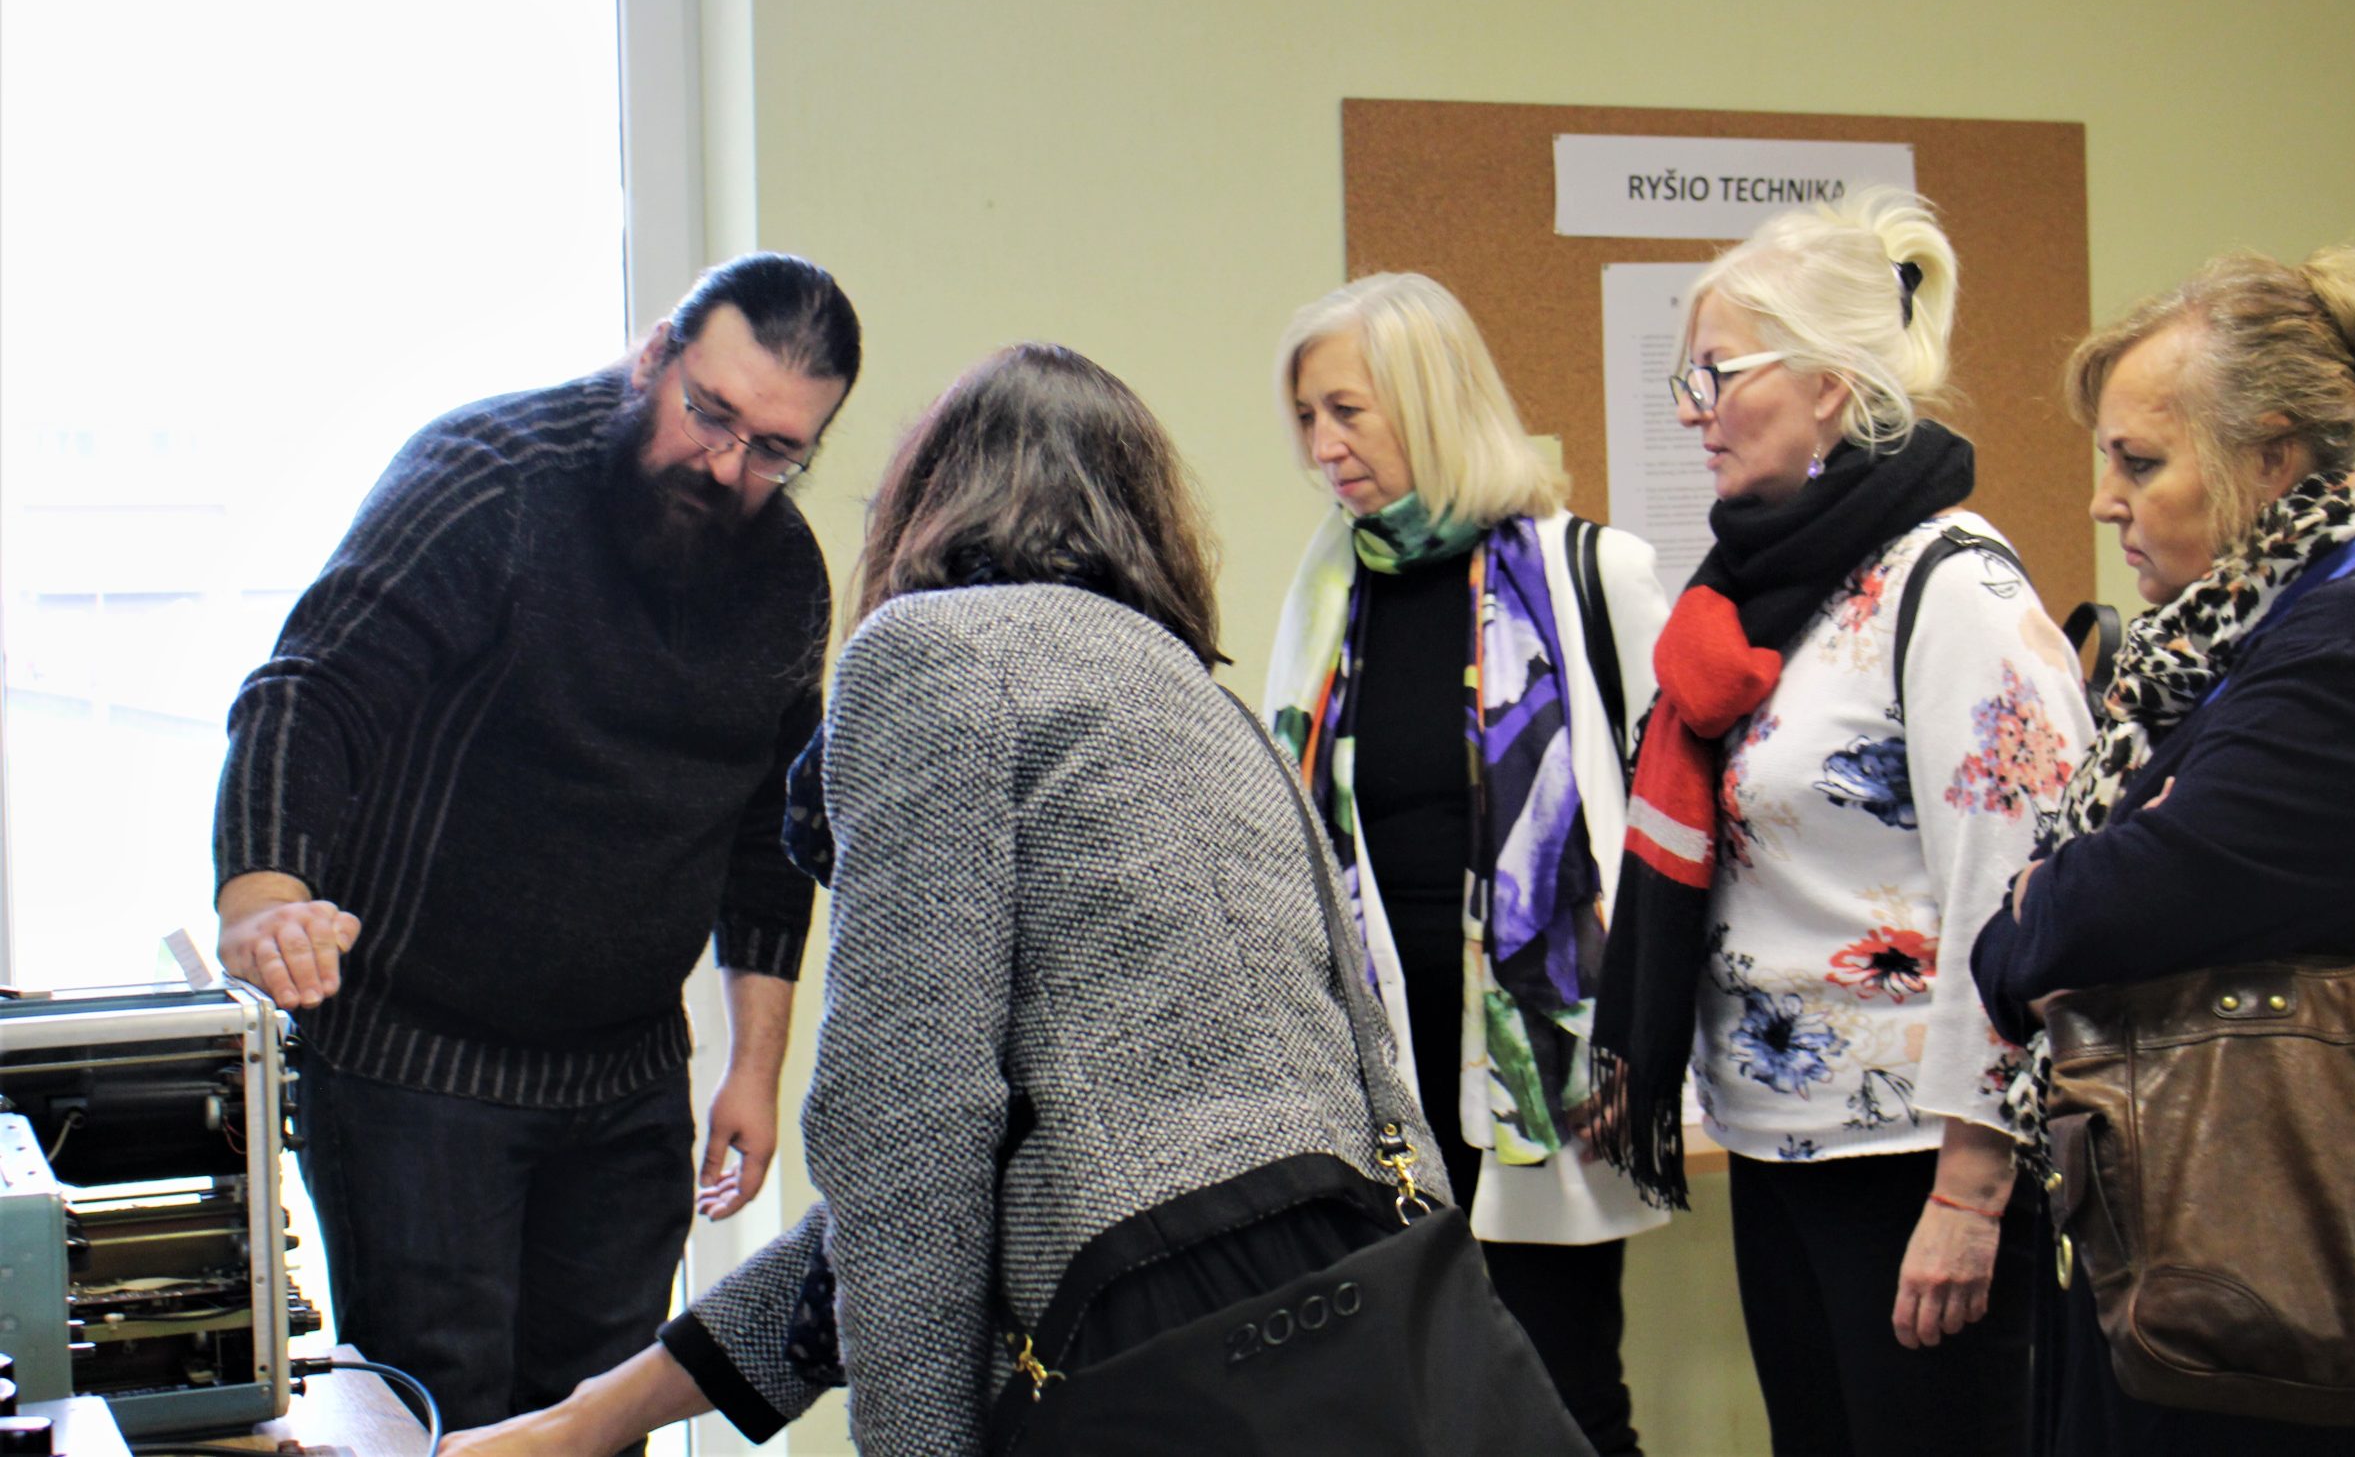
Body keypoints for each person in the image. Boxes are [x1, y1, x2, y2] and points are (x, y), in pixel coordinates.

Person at [444, 344, 1491, 1457]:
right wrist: (587, 1421)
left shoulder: (932, 657)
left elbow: (907, 1132)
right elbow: (1367, 1075)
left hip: (1149, 1346)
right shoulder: (1213, 711)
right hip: (1349, 1322)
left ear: (930, 498)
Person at [211, 252, 860, 1435]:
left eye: (775, 450)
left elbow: (771, 830)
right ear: (655, 355)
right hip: (416, 1073)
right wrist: (262, 892)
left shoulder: (782, 577)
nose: (727, 465)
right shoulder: (488, 480)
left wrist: (754, 1067)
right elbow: (312, 691)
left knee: (596, 1425)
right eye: (708, 414)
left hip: (625, 1083)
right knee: (441, 1420)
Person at [1589, 189, 2091, 1457]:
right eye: (1686, 379)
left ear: (1825, 384)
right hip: (1779, 1141)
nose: (1690, 409)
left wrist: (1971, 1192)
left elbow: (2021, 901)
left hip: (1920, 1161)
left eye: (1716, 374)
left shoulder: (1954, 588)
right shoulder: (1765, 590)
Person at [1969, 247, 2355, 1457]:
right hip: (2204, 1251)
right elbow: (2125, 887)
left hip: (2278, 1293)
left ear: (2270, 460)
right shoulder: (2221, 649)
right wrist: (2088, 879)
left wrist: (2041, 908)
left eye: (2139, 462)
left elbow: (2088, 919)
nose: (2103, 501)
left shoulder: (2351, 649)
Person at [1265, 272, 1672, 1453]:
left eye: (1347, 412)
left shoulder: (1592, 575)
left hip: (1541, 1066)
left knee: (1563, 1395)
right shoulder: (1328, 594)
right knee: (1409, 1406)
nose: (1322, 448)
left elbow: (1674, 834)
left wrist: (1647, 1041)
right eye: (1306, 419)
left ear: (1431, 402)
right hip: (1376, 1075)